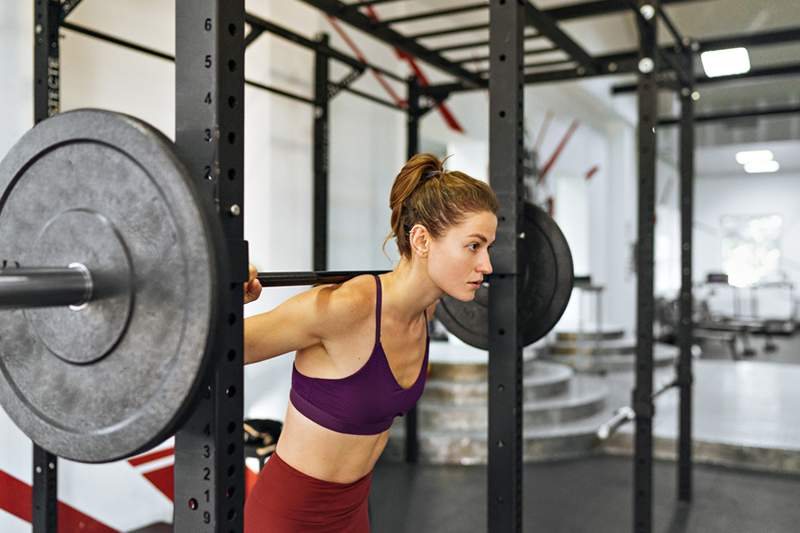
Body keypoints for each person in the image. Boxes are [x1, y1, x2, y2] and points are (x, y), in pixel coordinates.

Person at [242, 153, 498, 532]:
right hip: (288, 517)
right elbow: (220, 348)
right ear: (422, 239)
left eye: (488, 247)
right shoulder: (346, 307)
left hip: (354, 512)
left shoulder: (425, 313)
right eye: (474, 246)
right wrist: (227, 299)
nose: (488, 265)